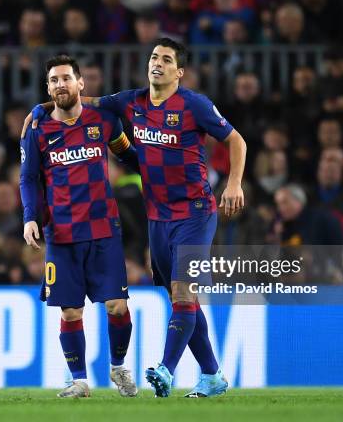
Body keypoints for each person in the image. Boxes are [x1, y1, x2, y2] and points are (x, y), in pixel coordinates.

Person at [24, 38, 246, 398]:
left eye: (167, 59)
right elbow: (85, 101)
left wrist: (234, 184)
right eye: (154, 56)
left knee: (183, 293)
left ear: (180, 71)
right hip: (157, 217)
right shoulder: (131, 101)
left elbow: (236, 140)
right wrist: (41, 108)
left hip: (195, 212)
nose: (157, 62)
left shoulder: (195, 105)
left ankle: (165, 370)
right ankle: (212, 375)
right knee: (182, 300)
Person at [20, 55, 139, 398]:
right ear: (48, 88)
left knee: (117, 305)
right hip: (62, 234)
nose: (60, 84)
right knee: (71, 311)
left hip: (103, 229)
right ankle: (79, 380)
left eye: (66, 78)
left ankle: (118, 367)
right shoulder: (38, 130)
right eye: (54, 80)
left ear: (80, 83)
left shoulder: (104, 120)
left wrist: (160, 167)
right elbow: (28, 179)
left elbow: (128, 155)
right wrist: (30, 216)